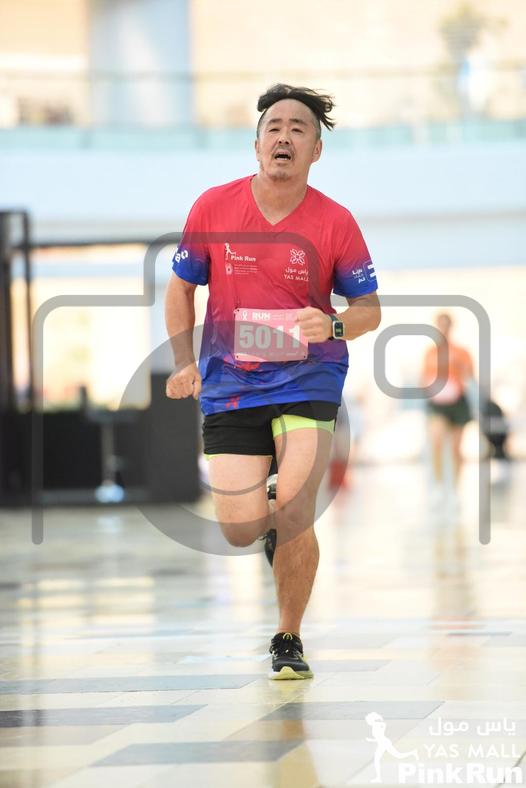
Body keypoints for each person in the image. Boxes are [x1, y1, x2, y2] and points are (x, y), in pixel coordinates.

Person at [165, 84, 381, 679]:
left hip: (310, 375)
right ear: (257, 144)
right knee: (238, 531)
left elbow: (369, 309)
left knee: (297, 507)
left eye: (298, 128)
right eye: (274, 128)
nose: (284, 136)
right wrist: (184, 361)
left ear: (316, 150)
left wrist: (332, 323)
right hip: (230, 380)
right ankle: (265, 518)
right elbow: (181, 288)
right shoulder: (213, 207)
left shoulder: (336, 222)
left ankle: (289, 636)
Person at [421, 313, 474, 506]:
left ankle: (455, 490)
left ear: (451, 327)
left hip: (457, 401)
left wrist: (459, 369)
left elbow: (470, 376)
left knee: (455, 449)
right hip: (438, 404)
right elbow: (424, 378)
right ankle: (438, 486)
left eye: (446, 326)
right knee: (436, 442)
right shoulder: (430, 353)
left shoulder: (462, 352)